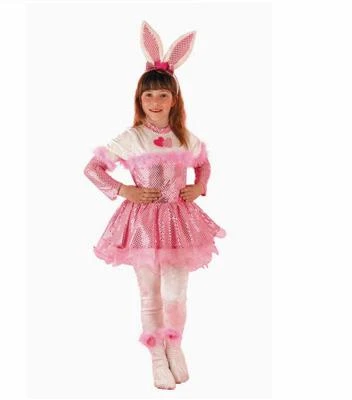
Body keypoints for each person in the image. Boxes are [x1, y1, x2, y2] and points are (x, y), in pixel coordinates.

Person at [83, 21, 226, 390]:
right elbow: (93, 169)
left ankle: (174, 345)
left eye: (162, 95)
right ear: (139, 100)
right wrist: (123, 190)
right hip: (143, 224)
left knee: (176, 292)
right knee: (150, 293)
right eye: (148, 96)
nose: (155, 102)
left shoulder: (184, 137)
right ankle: (156, 356)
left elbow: (203, 162)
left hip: (179, 221)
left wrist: (200, 186)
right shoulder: (131, 138)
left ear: (174, 99)